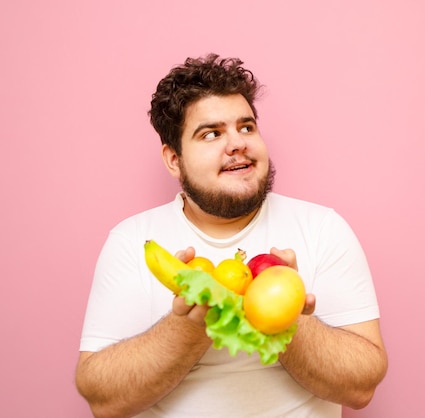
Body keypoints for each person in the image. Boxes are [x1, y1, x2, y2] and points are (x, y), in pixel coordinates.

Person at [75, 53, 388, 418]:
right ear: (173, 159)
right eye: (211, 133)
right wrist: (188, 328)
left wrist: (287, 322)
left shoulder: (322, 228)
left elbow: (362, 386)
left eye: (246, 127)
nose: (237, 143)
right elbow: (102, 399)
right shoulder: (133, 241)